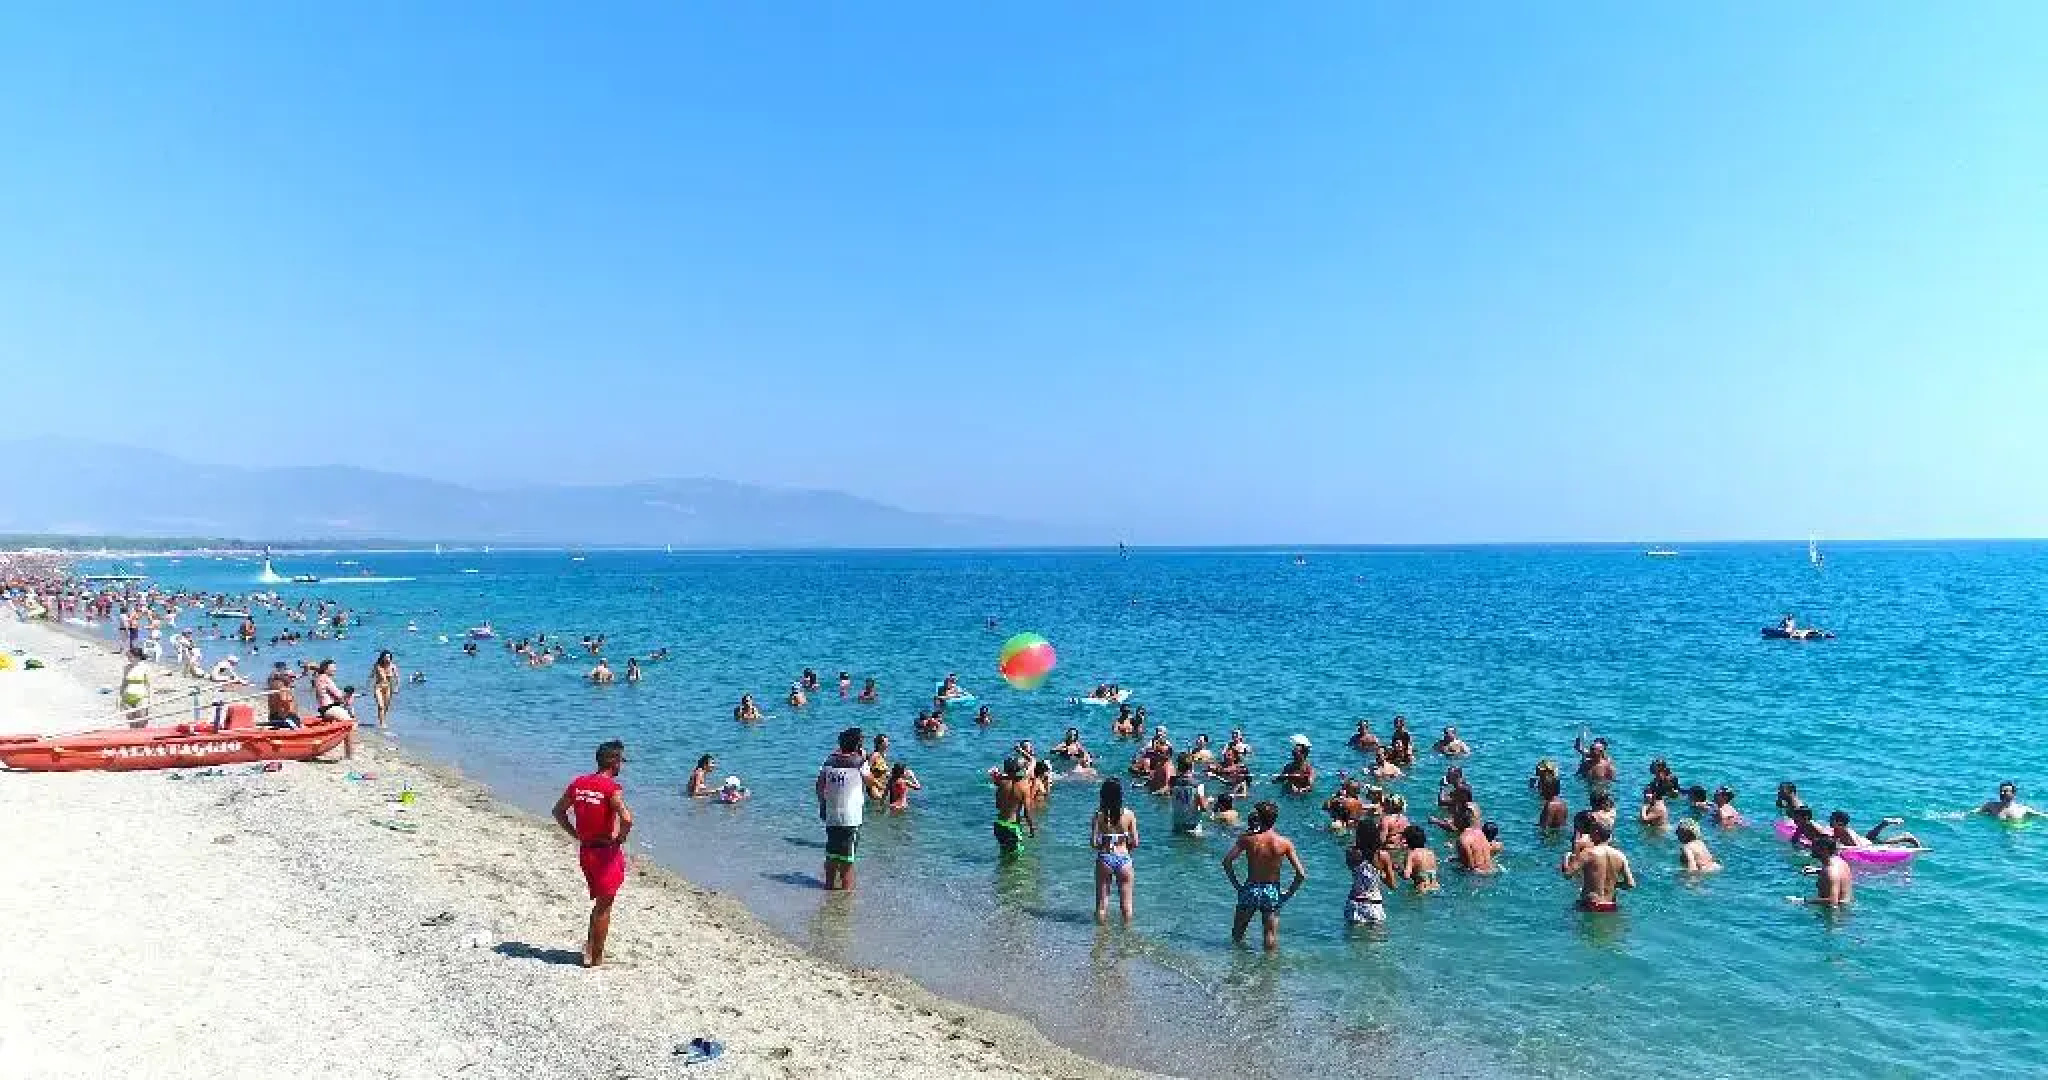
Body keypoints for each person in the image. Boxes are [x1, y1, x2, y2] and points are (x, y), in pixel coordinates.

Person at [551, 740, 633, 967]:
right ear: (613, 762)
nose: (622, 766)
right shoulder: (611, 788)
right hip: (605, 853)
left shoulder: (578, 783)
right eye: (621, 761)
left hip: (586, 850)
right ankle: (596, 958)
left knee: (600, 904)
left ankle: (590, 950)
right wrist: (621, 838)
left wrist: (576, 834)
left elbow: (558, 811)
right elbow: (627, 818)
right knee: (605, 905)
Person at [1221, 801, 1307, 950]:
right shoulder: (1284, 843)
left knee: (1238, 933)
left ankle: (1237, 966)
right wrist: (1287, 894)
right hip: (1272, 890)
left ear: (1259, 818)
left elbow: (1227, 861)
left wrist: (1237, 886)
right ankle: (1269, 971)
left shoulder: (1247, 839)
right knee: (1270, 935)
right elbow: (1301, 874)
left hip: (1250, 888)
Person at [815, 728, 867, 891]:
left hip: (832, 815)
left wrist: (823, 804)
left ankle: (829, 890)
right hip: (850, 819)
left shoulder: (829, 761)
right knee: (847, 861)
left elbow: (819, 786)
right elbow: (870, 781)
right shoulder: (859, 762)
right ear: (857, 744)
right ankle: (845, 899)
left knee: (831, 855)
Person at [1091, 778, 1140, 923]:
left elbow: (1093, 843)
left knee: (1101, 905)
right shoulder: (1129, 815)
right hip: (1124, 858)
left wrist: (1104, 847)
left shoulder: (1099, 815)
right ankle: (1126, 938)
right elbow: (1135, 842)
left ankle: (1100, 938)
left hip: (1105, 858)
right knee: (1127, 906)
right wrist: (1125, 848)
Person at [1561, 822, 1635, 913]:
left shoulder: (1588, 853)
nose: (1589, 836)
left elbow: (1567, 875)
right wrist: (1614, 884)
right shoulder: (1620, 855)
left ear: (1596, 834)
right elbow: (1630, 884)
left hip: (1591, 904)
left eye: (1590, 832)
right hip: (1611, 905)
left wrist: (1566, 858)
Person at [1344, 819, 1389, 927]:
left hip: (1354, 902)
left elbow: (1356, 870)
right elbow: (1392, 885)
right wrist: (1382, 874)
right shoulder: (1382, 855)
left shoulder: (1350, 852)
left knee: (1354, 942)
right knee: (1376, 942)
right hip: (1374, 904)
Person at [992, 756, 1037, 859]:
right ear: (1019, 770)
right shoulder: (1024, 787)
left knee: (1004, 854)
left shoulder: (1001, 783)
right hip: (1012, 827)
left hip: (998, 825)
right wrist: (1031, 827)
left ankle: (1002, 874)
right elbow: (1027, 812)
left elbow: (998, 806)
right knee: (1016, 859)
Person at [1829, 809, 1921, 848]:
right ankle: (1884, 823)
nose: (1829, 820)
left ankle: (1906, 837)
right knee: (1870, 837)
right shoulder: (1838, 829)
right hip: (1864, 840)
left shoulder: (1846, 832)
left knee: (1882, 843)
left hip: (1866, 845)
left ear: (1839, 823)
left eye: (1832, 819)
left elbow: (1857, 847)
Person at [1806, 836, 1852, 906]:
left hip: (1835, 913)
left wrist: (1803, 901)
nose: (1811, 849)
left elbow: (1832, 901)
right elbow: (1837, 875)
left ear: (1824, 850)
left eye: (1814, 847)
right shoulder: (1840, 862)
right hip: (1845, 909)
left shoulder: (1830, 872)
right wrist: (1817, 870)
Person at [1170, 754, 1208, 836]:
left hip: (1177, 824)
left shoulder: (1172, 782)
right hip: (1192, 827)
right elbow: (1203, 808)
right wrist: (1208, 801)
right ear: (1192, 767)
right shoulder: (1198, 785)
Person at [1453, 806, 1496, 873]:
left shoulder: (1463, 839)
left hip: (1476, 878)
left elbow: (1470, 867)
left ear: (1461, 820)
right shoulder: (1481, 833)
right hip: (1492, 870)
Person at [118, 647, 153, 727]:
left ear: (137, 657)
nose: (128, 658)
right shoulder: (126, 668)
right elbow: (124, 683)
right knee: (132, 723)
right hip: (127, 698)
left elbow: (149, 684)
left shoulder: (145, 667)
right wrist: (119, 697)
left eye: (130, 656)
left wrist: (150, 699)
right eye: (128, 657)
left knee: (141, 722)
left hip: (141, 697)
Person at [1401, 824, 1441, 893]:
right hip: (1436, 887)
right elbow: (1435, 869)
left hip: (1422, 888)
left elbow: (1406, 876)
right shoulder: (1431, 852)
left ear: (1408, 840)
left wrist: (1397, 869)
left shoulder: (1412, 854)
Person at [1976, 782, 2044, 822]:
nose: (2002, 793)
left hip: (2016, 834)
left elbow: (2041, 815)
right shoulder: (1991, 805)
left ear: (2013, 794)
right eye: (2001, 791)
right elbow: (1975, 811)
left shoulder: (2022, 809)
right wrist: (1965, 814)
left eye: (2005, 791)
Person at [264, 661, 302, 729]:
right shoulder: (280, 686)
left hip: (274, 716)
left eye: (293, 677)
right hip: (284, 718)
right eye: (291, 677)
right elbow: (283, 702)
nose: (293, 680)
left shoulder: (273, 681)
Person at [371, 650, 399, 727]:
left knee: (386, 706)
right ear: (382, 657)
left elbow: (397, 678)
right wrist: (367, 687)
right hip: (378, 688)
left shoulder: (393, 666)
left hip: (388, 688)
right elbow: (371, 675)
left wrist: (396, 687)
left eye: (389, 657)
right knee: (381, 706)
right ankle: (382, 723)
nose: (387, 659)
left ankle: (382, 719)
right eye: (386, 657)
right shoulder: (377, 665)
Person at [864, 733, 893, 800]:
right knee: (877, 808)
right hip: (874, 788)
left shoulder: (882, 756)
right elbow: (866, 772)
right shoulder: (874, 756)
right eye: (886, 742)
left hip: (882, 787)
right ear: (880, 744)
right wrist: (877, 784)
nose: (888, 744)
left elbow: (882, 772)